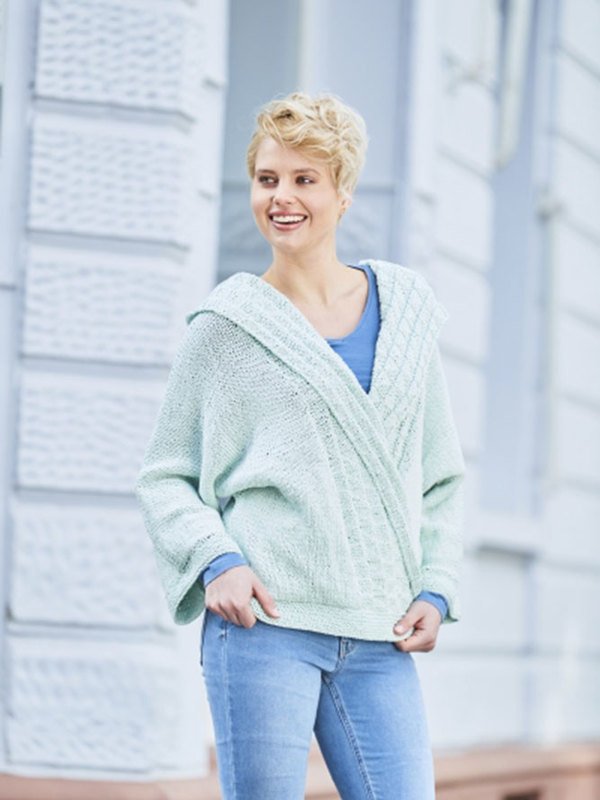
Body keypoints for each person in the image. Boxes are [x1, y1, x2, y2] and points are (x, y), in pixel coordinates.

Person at [135, 91, 466, 799]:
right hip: (266, 627)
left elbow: (441, 477)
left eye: (303, 179)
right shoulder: (227, 326)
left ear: (342, 193)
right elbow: (165, 474)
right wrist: (217, 561)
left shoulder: (404, 314)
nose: (281, 197)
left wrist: (438, 586)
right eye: (267, 179)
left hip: (380, 631)